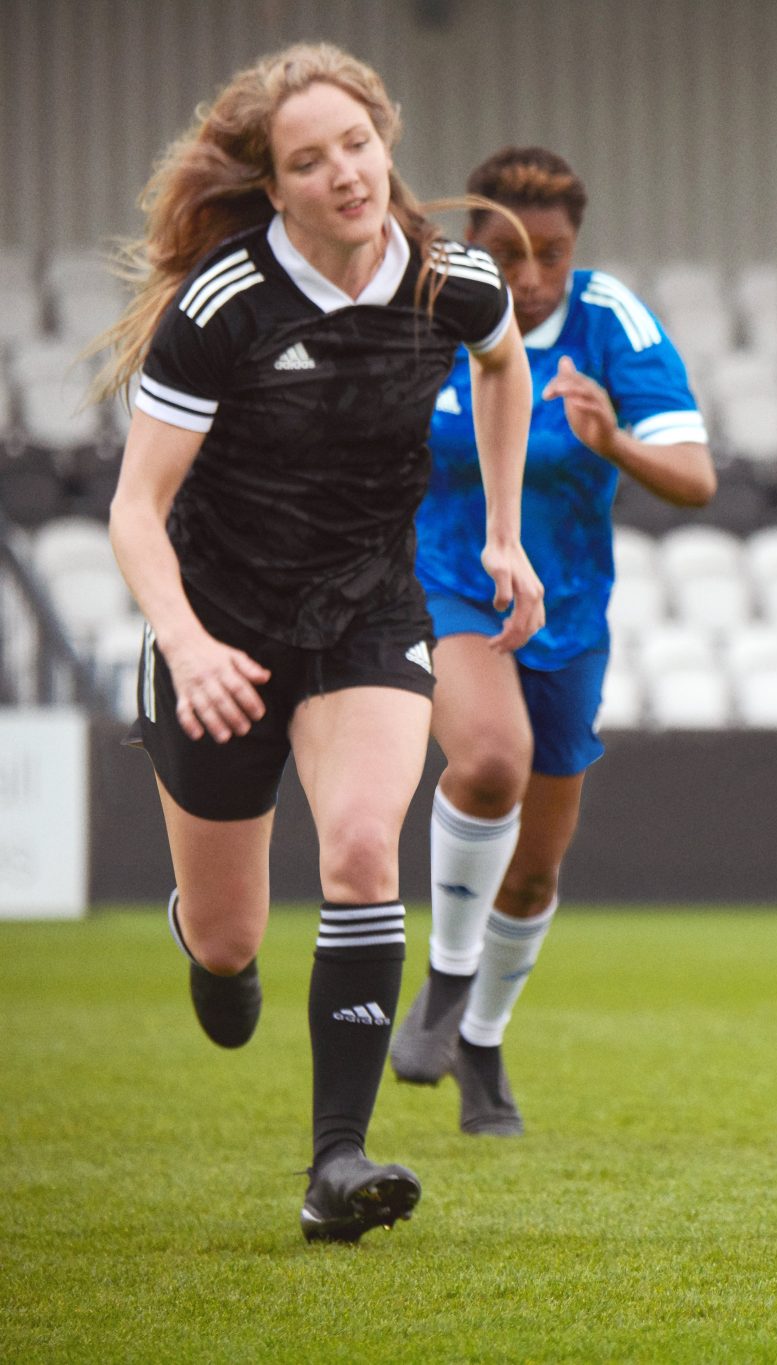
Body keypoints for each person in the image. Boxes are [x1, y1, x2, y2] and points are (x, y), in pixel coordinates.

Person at [95, 42, 544, 1243]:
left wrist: (503, 534)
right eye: (309, 160)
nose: (343, 173)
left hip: (367, 611)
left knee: (358, 849)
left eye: (356, 144)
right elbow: (135, 511)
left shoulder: (454, 283)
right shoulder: (222, 306)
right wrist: (187, 646)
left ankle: (335, 1165)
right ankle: (206, 941)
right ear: (275, 185)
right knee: (234, 944)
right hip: (223, 634)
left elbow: (505, 371)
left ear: (385, 140)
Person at [389, 147, 714, 1134]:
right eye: (508, 253)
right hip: (448, 581)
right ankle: (445, 985)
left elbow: (695, 478)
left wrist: (614, 440)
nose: (530, 279)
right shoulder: (427, 311)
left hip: (571, 615)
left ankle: (480, 1042)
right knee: (490, 761)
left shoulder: (611, 319)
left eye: (554, 255)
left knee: (534, 869)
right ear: (472, 248)